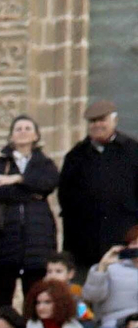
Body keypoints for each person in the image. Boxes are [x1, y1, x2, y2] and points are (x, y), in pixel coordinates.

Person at [0, 115, 61, 308]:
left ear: (36, 135)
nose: (23, 131)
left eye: (28, 128)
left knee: (35, 295)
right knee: (3, 295)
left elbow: (48, 183)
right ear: (11, 136)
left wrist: (17, 180)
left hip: (37, 239)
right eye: (18, 129)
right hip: (5, 239)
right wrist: (32, 191)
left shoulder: (45, 164)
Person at [59, 99, 138, 275]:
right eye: (93, 121)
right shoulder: (76, 156)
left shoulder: (132, 150)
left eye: (102, 120)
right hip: (85, 245)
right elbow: (65, 199)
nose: (97, 125)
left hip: (125, 239)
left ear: (114, 121)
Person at [83, 226, 138, 328]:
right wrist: (102, 268)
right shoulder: (112, 268)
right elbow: (91, 296)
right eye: (134, 243)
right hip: (114, 322)